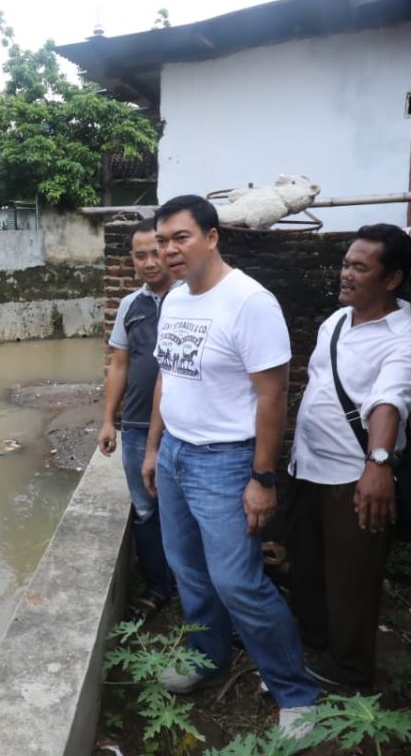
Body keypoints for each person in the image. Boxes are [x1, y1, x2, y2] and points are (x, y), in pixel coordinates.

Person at [141, 195, 321, 737]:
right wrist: (154, 449)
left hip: (225, 461)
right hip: (175, 453)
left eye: (181, 238)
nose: (169, 249)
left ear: (212, 237)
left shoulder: (250, 302)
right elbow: (166, 379)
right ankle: (207, 658)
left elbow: (273, 396)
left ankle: (296, 692)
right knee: (188, 571)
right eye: (163, 240)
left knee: (238, 581)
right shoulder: (174, 300)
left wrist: (262, 478)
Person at [286, 224, 411, 688]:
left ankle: (350, 671)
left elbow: (388, 402)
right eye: (346, 263)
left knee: (352, 581)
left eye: (359, 267)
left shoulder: (407, 342)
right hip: (306, 466)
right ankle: (312, 644)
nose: (345, 274)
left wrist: (379, 464)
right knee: (307, 567)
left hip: (354, 477)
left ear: (392, 279)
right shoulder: (336, 321)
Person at [99, 219, 174, 618]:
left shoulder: (193, 299)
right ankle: (158, 586)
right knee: (146, 511)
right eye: (139, 255)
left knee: (186, 512)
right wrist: (109, 420)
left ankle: (199, 591)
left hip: (182, 432)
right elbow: (119, 364)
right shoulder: (131, 306)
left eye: (155, 252)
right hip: (136, 428)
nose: (148, 262)